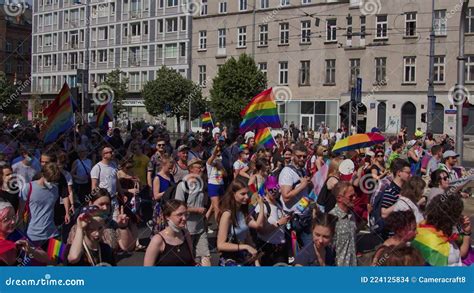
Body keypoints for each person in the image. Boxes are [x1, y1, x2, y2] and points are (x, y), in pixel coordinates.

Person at [67, 188, 136, 252]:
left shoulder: (113, 224)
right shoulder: (80, 227)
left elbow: (128, 247)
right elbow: (70, 254)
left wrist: (123, 227)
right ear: (91, 204)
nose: (105, 208)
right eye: (101, 204)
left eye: (108, 204)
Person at [412, 193, 471, 266]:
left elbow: (460, 254)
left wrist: (466, 232)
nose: (461, 216)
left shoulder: (419, 229)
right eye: (458, 214)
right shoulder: (440, 247)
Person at [217, 180, 265, 266]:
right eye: (242, 194)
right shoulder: (227, 214)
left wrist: (261, 206)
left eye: (247, 193)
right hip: (231, 261)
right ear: (233, 194)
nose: (246, 197)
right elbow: (220, 245)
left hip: (243, 258)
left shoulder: (243, 211)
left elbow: (257, 226)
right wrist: (245, 247)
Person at [175, 158, 210, 266]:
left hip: (200, 229)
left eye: (202, 167)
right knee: (191, 260)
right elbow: (177, 208)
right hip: (186, 230)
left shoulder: (202, 184)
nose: (202, 170)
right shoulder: (182, 186)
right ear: (190, 169)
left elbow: (204, 204)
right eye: (199, 167)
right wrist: (196, 210)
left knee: (206, 256)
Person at [18, 163, 61, 246]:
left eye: (54, 181)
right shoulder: (28, 187)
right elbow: (20, 212)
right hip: (33, 235)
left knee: (55, 259)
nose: (51, 183)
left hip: (52, 234)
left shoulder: (55, 189)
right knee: (34, 259)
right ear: (43, 175)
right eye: (50, 180)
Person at [279, 144, 313, 246]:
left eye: (304, 156)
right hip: (294, 220)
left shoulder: (302, 170)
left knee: (309, 251)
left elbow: (302, 192)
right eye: (299, 156)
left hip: (304, 216)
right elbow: (286, 197)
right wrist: (302, 186)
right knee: (295, 252)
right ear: (293, 156)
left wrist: (308, 185)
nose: (302, 159)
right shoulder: (287, 172)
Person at [252, 176, 290, 266]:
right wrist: (279, 223)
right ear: (265, 189)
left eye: (275, 189)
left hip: (281, 247)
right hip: (269, 250)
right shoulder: (262, 207)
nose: (273, 191)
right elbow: (261, 230)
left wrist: (286, 219)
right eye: (270, 189)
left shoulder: (278, 203)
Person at [144, 200, 195, 266]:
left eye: (186, 214)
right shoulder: (157, 240)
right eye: (179, 215)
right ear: (167, 216)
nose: (184, 218)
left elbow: (191, 261)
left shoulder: (185, 233)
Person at [0, 201, 51, 266]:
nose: (13, 222)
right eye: (6, 219)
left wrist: (31, 250)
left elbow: (46, 258)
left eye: (13, 217)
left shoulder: (16, 233)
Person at [329, 181, 357, 266]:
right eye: (351, 196)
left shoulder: (351, 215)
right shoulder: (332, 219)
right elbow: (327, 249)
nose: (354, 198)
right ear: (339, 198)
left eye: (354, 195)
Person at [90, 146, 124, 219]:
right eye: (110, 152)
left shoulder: (114, 164)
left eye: (112, 151)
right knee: (103, 222)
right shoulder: (97, 167)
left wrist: (122, 194)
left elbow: (116, 181)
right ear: (104, 155)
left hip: (114, 199)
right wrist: (93, 200)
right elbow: (94, 185)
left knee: (116, 223)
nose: (113, 153)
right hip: (103, 202)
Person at [206, 144, 226, 222]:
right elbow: (213, 154)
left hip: (221, 185)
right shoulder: (209, 163)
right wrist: (217, 145)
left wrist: (221, 167)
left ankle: (205, 221)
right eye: (217, 155)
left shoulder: (220, 163)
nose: (219, 156)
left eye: (219, 155)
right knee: (217, 208)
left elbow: (225, 174)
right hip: (213, 185)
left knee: (213, 207)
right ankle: (219, 227)